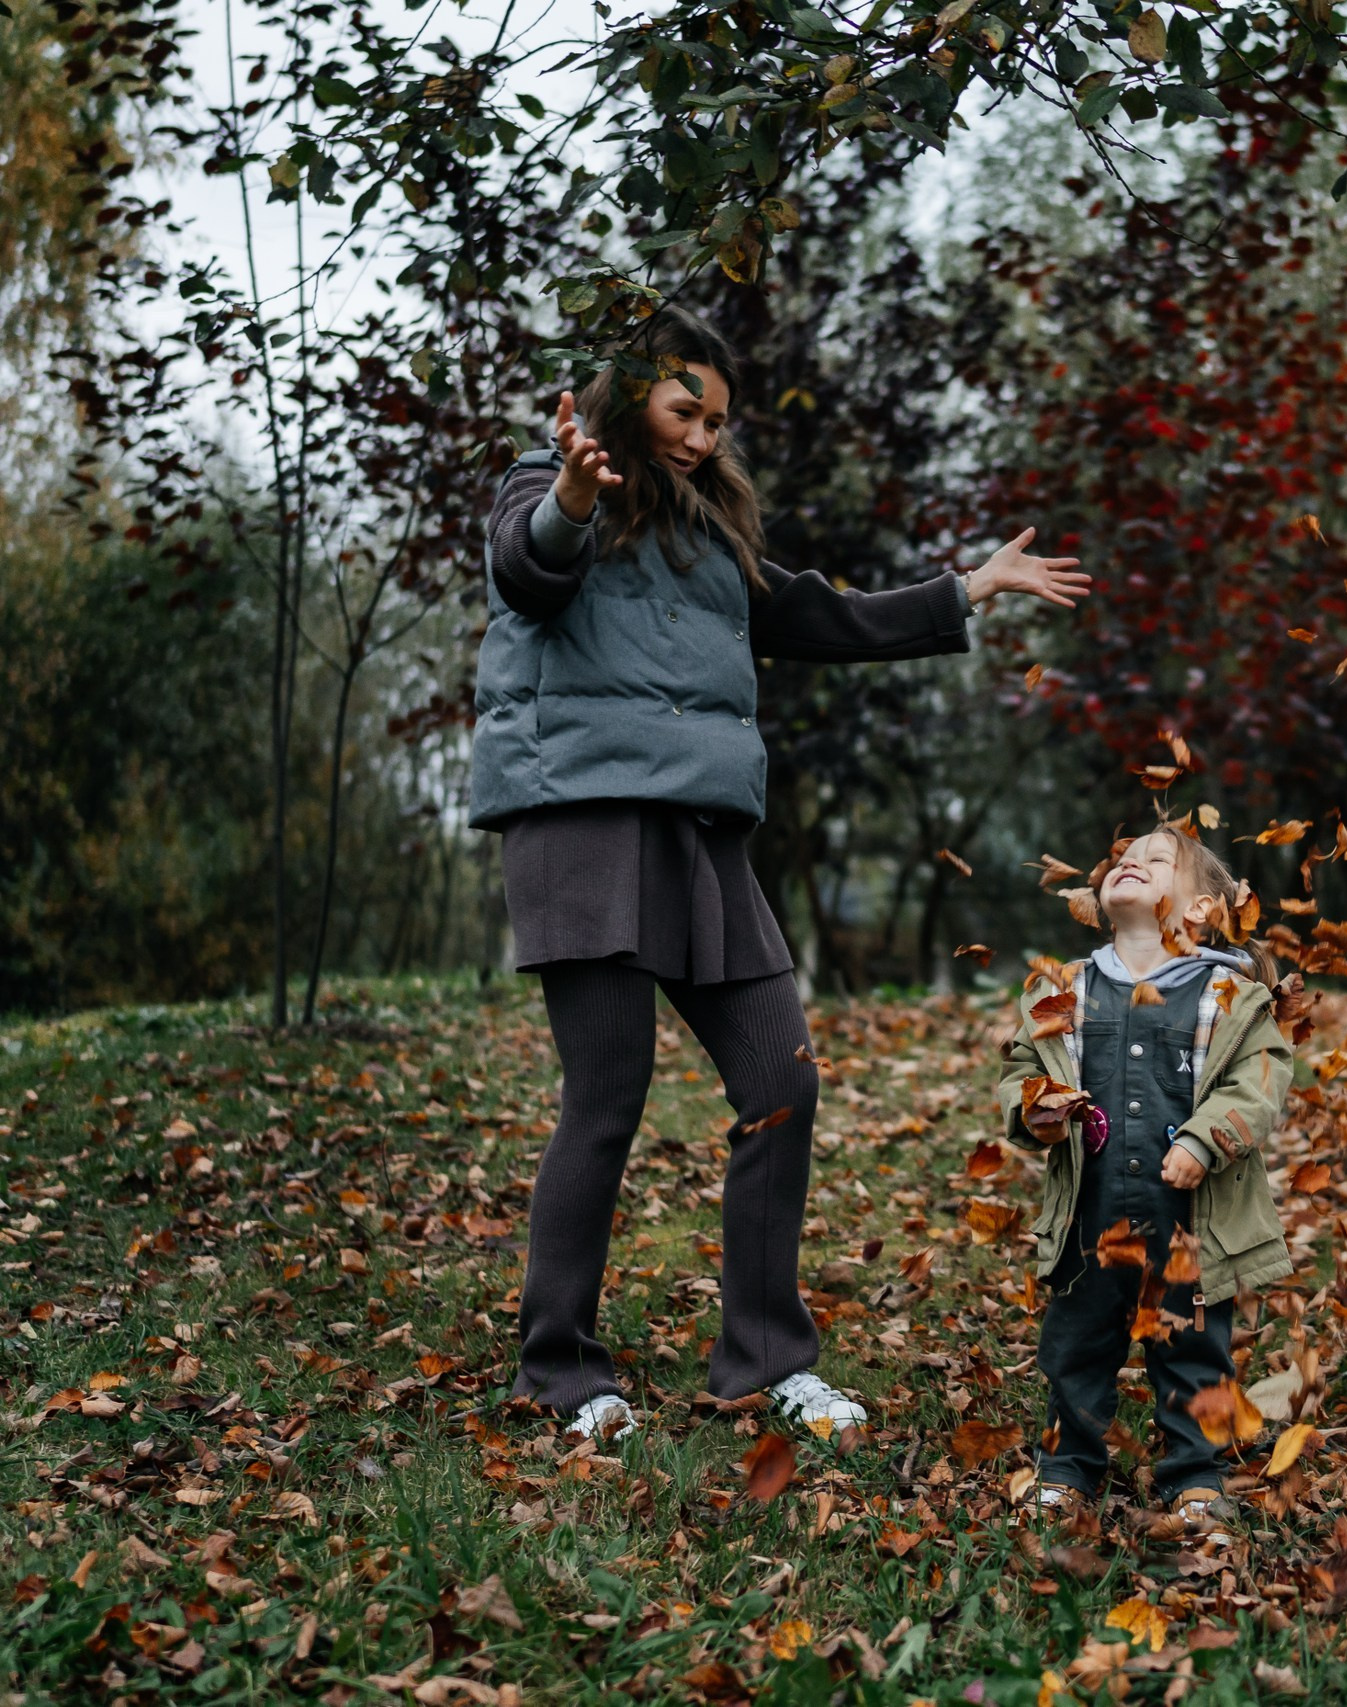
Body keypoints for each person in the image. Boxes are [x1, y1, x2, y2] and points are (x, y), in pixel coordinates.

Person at [471, 306, 1090, 1448]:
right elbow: (529, 575)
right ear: (623, 398)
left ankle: (764, 1362)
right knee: (604, 1101)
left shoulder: (713, 535)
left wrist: (972, 589)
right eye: (682, 410)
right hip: (584, 821)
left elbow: (822, 614)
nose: (704, 437)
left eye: (717, 418)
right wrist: (571, 493)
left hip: (701, 832)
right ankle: (559, 1371)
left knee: (780, 1080)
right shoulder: (546, 484)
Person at [995, 827, 1296, 1533]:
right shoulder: (1063, 988)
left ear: (1200, 910)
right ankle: (1068, 1465)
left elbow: (1260, 1081)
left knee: (1193, 1346)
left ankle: (1195, 1473)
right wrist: (1032, 1107)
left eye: (1158, 860)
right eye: (1123, 857)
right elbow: (1021, 1069)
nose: (1130, 861)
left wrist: (1205, 1134)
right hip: (1088, 1214)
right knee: (1076, 1343)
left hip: (1192, 1220)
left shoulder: (1230, 996)